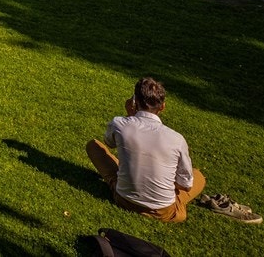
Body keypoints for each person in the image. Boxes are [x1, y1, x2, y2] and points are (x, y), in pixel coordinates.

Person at [85, 77, 207, 223]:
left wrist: (129, 116)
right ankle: (170, 204)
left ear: (134, 101)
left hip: (124, 199)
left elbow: (108, 142)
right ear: (162, 107)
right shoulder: (177, 139)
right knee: (198, 176)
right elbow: (186, 185)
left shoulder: (120, 124)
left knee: (93, 146)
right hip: (164, 211)